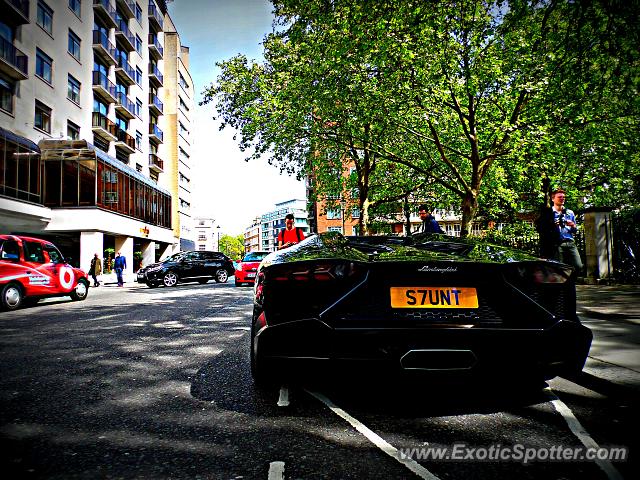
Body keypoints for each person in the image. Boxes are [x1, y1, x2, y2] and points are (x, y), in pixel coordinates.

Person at [550, 188, 583, 271]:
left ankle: (571, 282)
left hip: (570, 242)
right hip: (558, 243)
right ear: (553, 199)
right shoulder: (549, 213)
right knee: (559, 268)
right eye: (560, 197)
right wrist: (553, 225)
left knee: (578, 266)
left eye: (563, 197)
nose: (562, 199)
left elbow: (575, 231)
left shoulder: (570, 213)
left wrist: (572, 225)